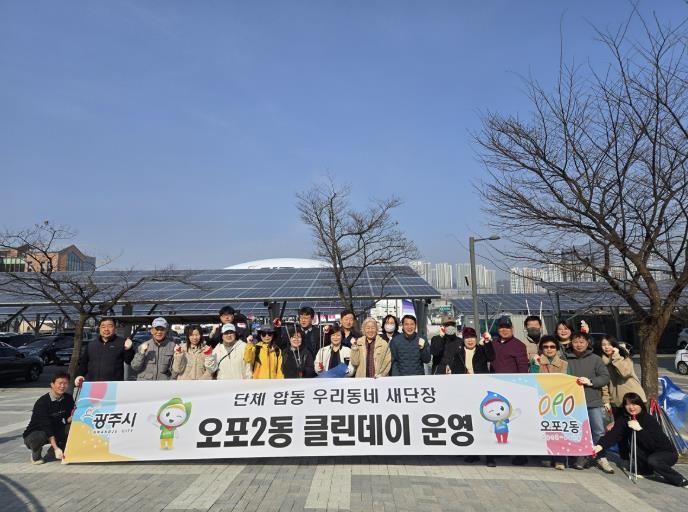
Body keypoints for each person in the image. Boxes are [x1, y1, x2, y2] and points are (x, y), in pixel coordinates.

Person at [593, 392, 688, 488]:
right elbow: (614, 434)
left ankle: (681, 480)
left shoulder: (649, 419)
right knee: (635, 445)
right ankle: (646, 471)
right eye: (627, 405)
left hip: (665, 452)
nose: (631, 407)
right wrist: (600, 445)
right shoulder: (624, 418)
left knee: (654, 461)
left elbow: (653, 444)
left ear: (640, 405)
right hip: (648, 451)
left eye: (634, 404)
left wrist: (640, 430)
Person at [566, 331, 612, 473]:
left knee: (598, 430)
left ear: (588, 343)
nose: (579, 345)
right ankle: (581, 456)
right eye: (575, 342)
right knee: (577, 431)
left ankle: (601, 456)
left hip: (593, 401)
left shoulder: (595, 359)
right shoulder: (565, 359)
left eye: (582, 342)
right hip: (573, 403)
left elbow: (605, 377)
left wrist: (591, 381)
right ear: (571, 343)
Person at [454, 327, 496, 467]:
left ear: (476, 339)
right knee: (471, 422)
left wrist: (488, 342)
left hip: (482, 390)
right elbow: (455, 370)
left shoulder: (482, 350)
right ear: (463, 340)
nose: (470, 340)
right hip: (466, 391)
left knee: (486, 422)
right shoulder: (458, 353)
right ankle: (473, 453)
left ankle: (490, 456)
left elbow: (492, 357)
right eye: (467, 338)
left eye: (472, 337)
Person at [490, 316, 529, 466]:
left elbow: (523, 368)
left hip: (513, 389)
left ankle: (521, 454)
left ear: (512, 328)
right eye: (501, 327)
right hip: (497, 389)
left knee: (516, 421)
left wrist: (520, 387)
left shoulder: (518, 345)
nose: (504, 330)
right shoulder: (493, 344)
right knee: (499, 421)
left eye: (507, 327)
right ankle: (501, 450)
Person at [529, 336, 568, 470]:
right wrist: (535, 366)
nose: (549, 349)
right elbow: (532, 379)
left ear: (557, 349)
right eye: (545, 347)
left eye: (552, 347)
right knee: (544, 429)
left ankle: (559, 459)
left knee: (558, 430)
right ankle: (545, 456)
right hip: (542, 400)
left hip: (559, 401)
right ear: (541, 349)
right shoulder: (536, 362)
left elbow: (569, 381)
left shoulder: (564, 364)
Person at [23, 371, 74, 464]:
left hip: (56, 429)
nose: (62, 386)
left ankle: (54, 451)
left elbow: (68, 419)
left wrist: (74, 417)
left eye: (65, 383)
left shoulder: (68, 398)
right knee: (39, 437)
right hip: (37, 432)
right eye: (60, 383)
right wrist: (56, 448)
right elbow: (46, 427)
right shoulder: (42, 403)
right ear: (52, 384)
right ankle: (36, 455)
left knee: (72, 428)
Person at [597, 335, 646, 422]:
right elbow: (604, 384)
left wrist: (616, 357)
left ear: (615, 346)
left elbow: (624, 373)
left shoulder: (624, 357)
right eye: (603, 345)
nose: (606, 347)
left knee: (639, 425)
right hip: (616, 401)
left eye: (609, 344)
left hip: (633, 398)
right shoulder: (601, 362)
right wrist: (606, 400)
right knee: (620, 427)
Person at [75, 317, 134, 385]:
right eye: (103, 327)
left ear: (115, 328)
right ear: (99, 328)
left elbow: (130, 361)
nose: (106, 329)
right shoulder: (92, 344)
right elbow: (84, 363)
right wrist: (80, 375)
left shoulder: (121, 342)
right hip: (93, 384)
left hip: (114, 385)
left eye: (110, 326)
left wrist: (128, 349)